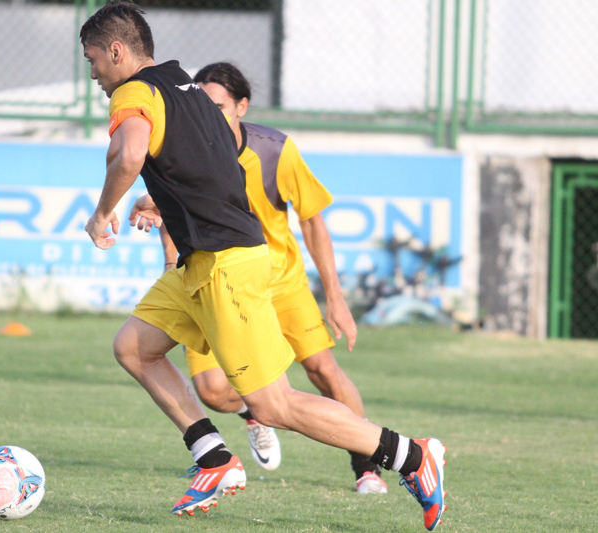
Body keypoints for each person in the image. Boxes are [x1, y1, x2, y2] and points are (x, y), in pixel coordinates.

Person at [80, 2, 447, 529]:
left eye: (93, 59)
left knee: (275, 405)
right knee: (134, 348)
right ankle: (214, 459)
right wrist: (164, 201)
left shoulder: (133, 93)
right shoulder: (185, 86)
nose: (93, 73)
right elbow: (216, 165)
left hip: (226, 264)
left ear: (117, 51)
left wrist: (102, 213)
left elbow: (130, 155)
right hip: (203, 261)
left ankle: (412, 457)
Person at [137, 61, 387, 494]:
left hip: (281, 283)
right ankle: (254, 414)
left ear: (242, 106)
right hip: (217, 280)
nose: (212, 116)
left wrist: (335, 295)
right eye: (204, 106)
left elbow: (312, 220)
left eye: (220, 107)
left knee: (322, 370)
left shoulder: (274, 151)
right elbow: (170, 208)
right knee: (213, 391)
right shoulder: (187, 147)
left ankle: (368, 466)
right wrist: (164, 248)